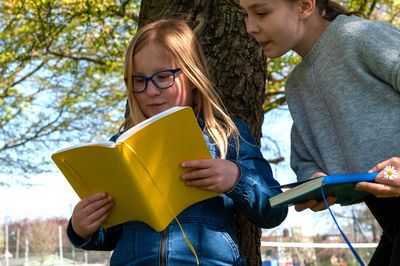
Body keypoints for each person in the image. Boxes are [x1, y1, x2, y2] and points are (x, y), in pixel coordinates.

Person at [66, 18, 288, 265]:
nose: (150, 90)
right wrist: (81, 227)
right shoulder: (120, 147)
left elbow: (274, 209)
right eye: (139, 80)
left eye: (163, 77)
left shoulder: (227, 135)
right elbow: (112, 234)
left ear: (193, 76)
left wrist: (236, 179)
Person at [239, 0, 400, 265]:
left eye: (261, 13)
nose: (250, 27)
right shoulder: (297, 85)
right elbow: (305, 158)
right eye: (246, 15)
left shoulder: (359, 36)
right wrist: (314, 182)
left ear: (304, 6)